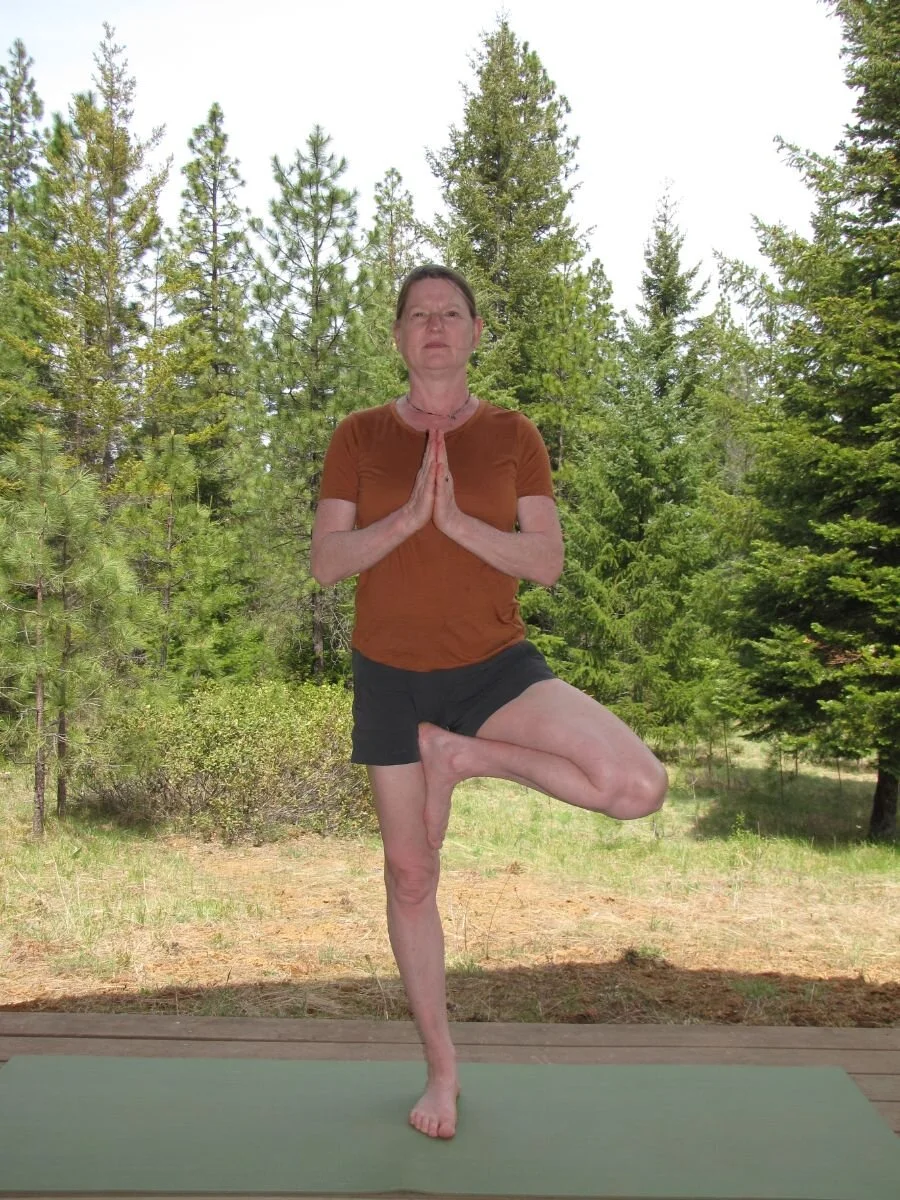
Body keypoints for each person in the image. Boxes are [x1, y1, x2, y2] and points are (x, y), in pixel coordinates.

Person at [310, 264, 667, 1140]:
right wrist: (407, 520)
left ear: (474, 335)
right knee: (410, 874)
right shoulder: (358, 436)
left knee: (636, 787)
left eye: (451, 313)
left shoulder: (513, 434)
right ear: (398, 337)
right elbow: (326, 563)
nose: (435, 325)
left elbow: (544, 561)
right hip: (390, 676)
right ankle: (441, 1069)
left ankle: (463, 756)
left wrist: (459, 523)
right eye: (419, 314)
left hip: (494, 668)